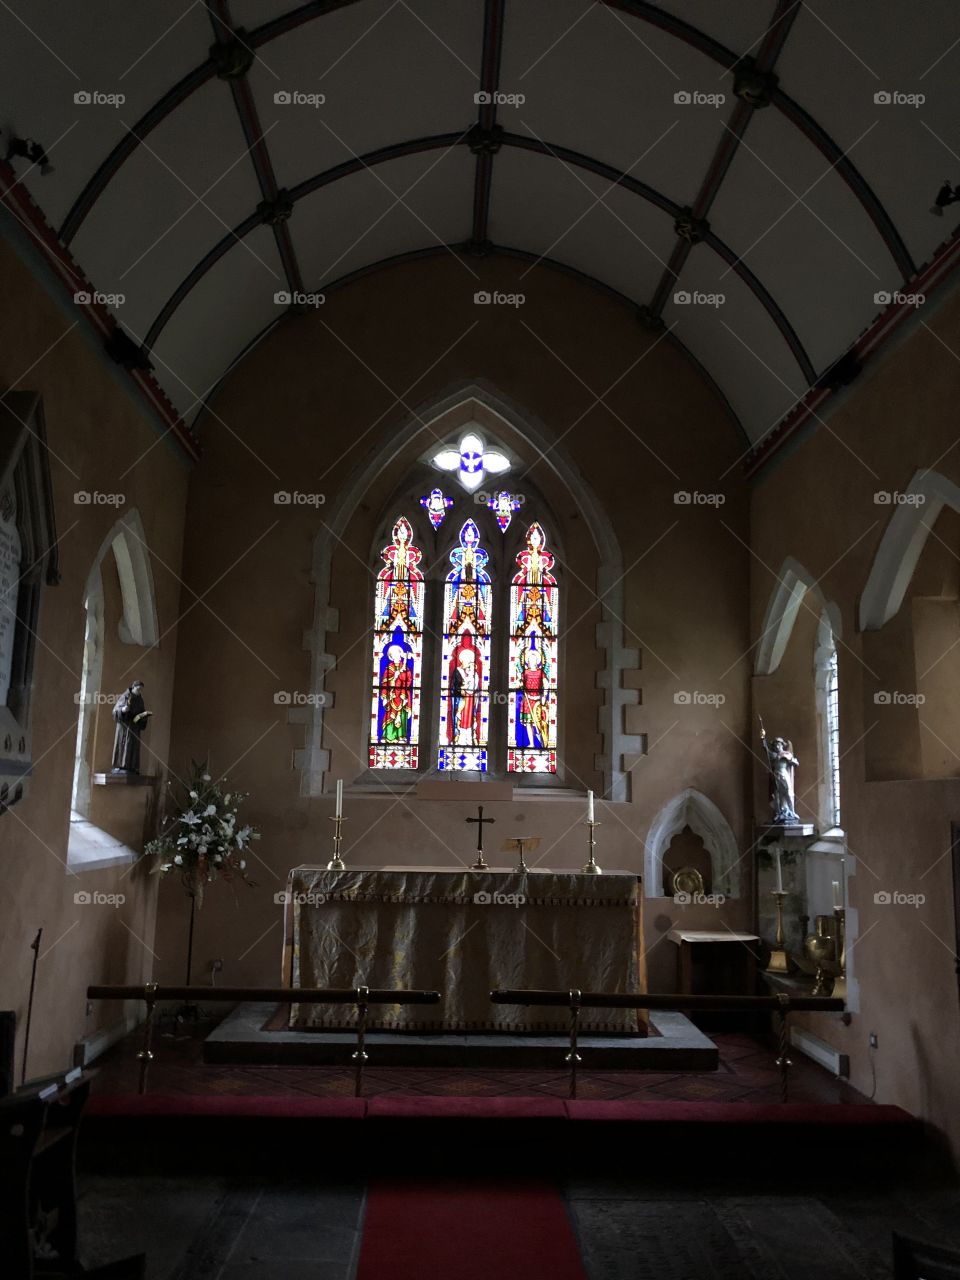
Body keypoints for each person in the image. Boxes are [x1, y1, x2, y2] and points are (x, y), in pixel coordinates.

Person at [111, 680, 152, 773]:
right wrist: (123, 710)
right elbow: (115, 711)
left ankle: (131, 766)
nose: (140, 691)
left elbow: (141, 712)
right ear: (133, 687)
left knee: (133, 747)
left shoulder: (140, 700)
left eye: (141, 689)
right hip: (125, 727)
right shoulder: (125, 696)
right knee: (124, 745)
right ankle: (121, 765)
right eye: (138, 689)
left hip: (135, 727)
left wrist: (144, 717)